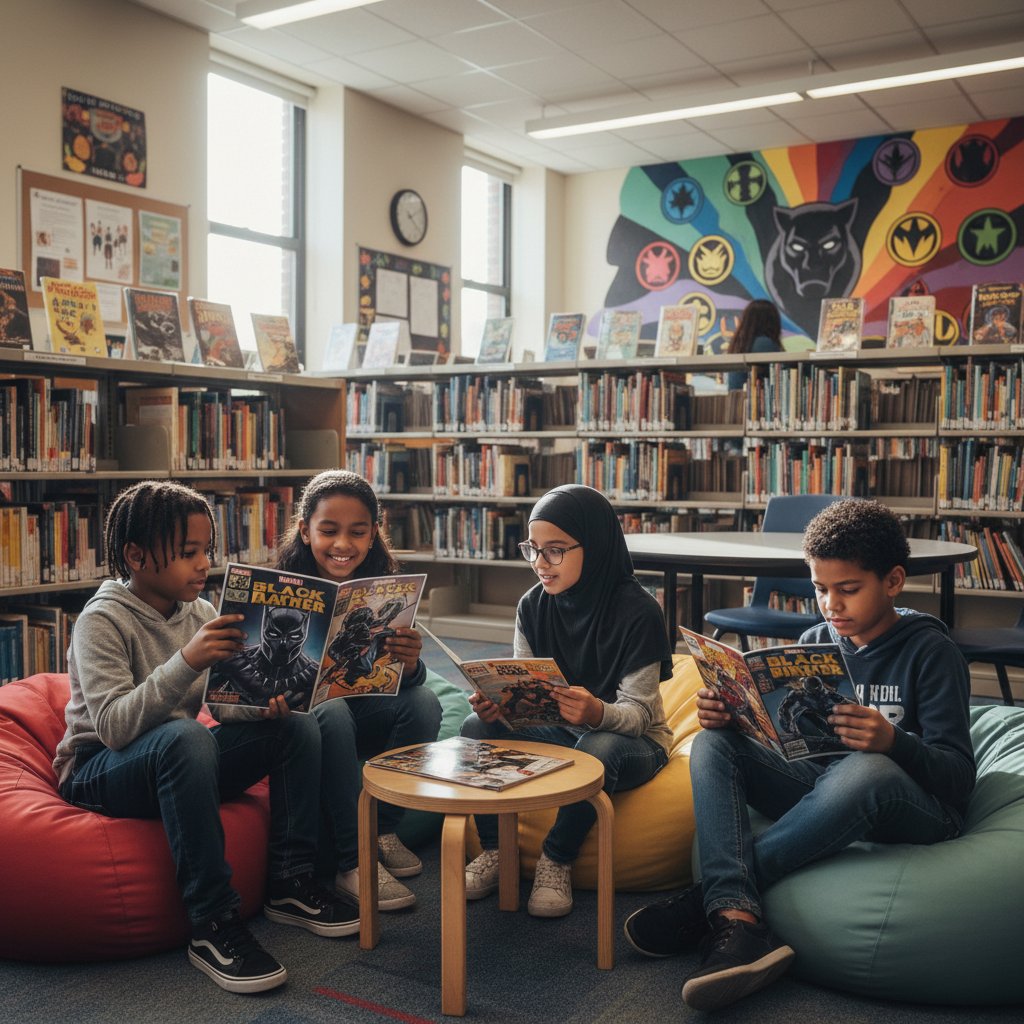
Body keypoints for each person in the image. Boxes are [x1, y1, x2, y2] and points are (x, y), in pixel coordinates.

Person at [624, 499, 976, 1011]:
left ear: (893, 581)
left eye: (848, 589)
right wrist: (736, 717)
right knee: (713, 741)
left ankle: (711, 900)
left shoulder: (931, 653)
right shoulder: (814, 643)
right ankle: (740, 923)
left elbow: (958, 778)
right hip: (825, 790)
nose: (831, 604)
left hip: (913, 805)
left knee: (868, 770)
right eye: (819, 588)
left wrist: (894, 742)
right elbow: (796, 748)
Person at [53, 481, 358, 995]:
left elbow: (218, 705)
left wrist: (263, 705)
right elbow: (113, 726)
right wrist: (187, 660)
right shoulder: (100, 620)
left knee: (296, 725)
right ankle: (212, 922)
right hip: (99, 768)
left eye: (207, 550)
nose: (204, 564)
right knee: (184, 736)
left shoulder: (198, 612)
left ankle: (290, 880)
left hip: (174, 760)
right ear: (136, 555)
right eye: (188, 552)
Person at [461, 484, 675, 917]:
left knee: (597, 747)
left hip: (634, 742)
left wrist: (597, 712)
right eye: (533, 549)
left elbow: (640, 714)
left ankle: (556, 859)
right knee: (474, 727)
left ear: (593, 548)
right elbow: (523, 688)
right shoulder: (532, 605)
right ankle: (497, 850)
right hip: (561, 731)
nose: (540, 563)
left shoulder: (639, 612)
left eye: (555, 551)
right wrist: (500, 705)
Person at [274, 469, 442, 912]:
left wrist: (409, 665)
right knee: (330, 712)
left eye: (358, 532)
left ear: (373, 534)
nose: (343, 544)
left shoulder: (380, 586)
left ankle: (383, 829)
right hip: (306, 726)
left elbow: (392, 679)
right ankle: (354, 860)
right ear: (305, 531)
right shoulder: (282, 589)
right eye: (329, 530)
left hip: (360, 709)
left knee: (425, 702)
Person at [725, 299, 782, 390]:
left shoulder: (740, 344)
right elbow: (785, 370)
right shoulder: (764, 344)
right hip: (758, 396)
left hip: (739, 396)